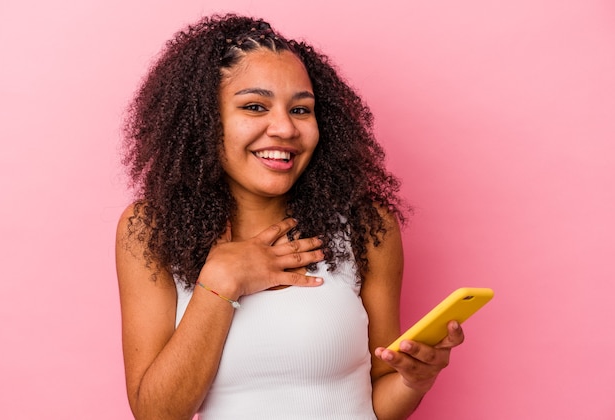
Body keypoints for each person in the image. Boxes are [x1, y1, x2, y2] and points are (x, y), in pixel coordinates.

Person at [116, 13, 464, 420]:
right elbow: (156, 414)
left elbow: (376, 398)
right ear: (204, 121)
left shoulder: (365, 226)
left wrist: (412, 381)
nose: (284, 128)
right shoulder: (151, 231)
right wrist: (220, 282)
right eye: (254, 106)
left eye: (301, 110)